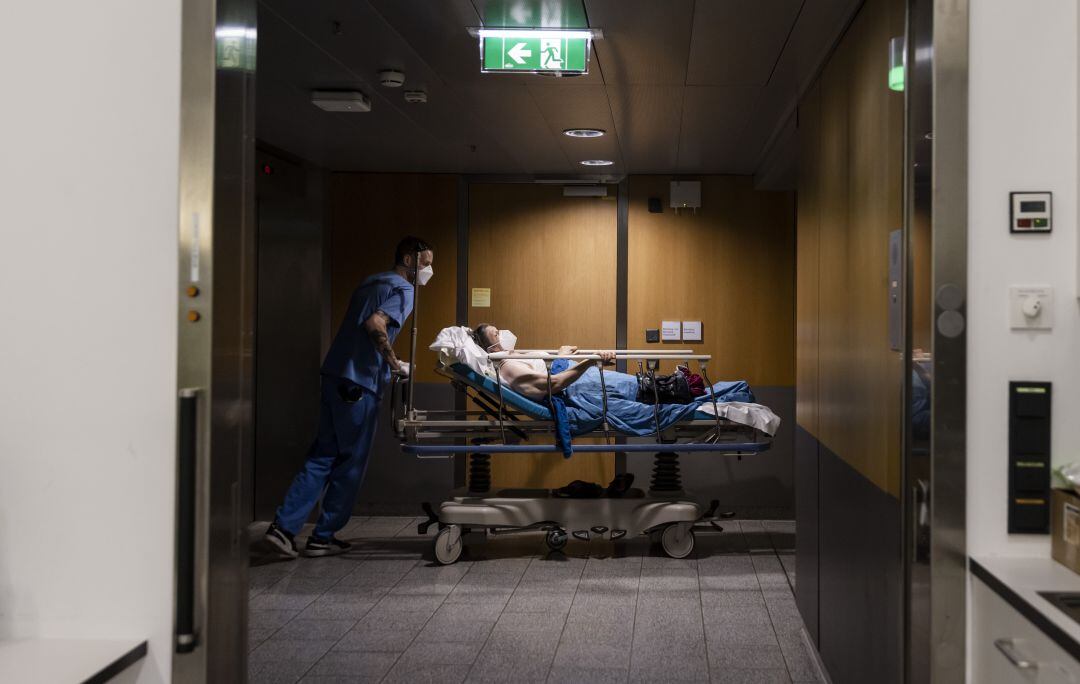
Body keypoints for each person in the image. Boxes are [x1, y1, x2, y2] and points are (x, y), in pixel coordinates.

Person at [265, 237, 434, 558]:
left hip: (335, 375)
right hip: (359, 385)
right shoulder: (403, 289)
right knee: (350, 462)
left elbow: (360, 325)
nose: (428, 270)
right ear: (409, 260)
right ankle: (322, 536)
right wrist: (393, 363)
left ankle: (284, 529)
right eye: (425, 263)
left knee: (323, 454)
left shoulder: (371, 282)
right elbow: (375, 324)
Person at [471, 323, 615, 400]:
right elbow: (553, 383)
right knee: (634, 388)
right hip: (577, 385)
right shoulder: (508, 366)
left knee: (635, 387)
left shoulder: (512, 357)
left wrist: (560, 356)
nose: (503, 334)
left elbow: (541, 368)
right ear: (491, 349)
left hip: (578, 376)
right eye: (497, 334)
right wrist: (591, 360)